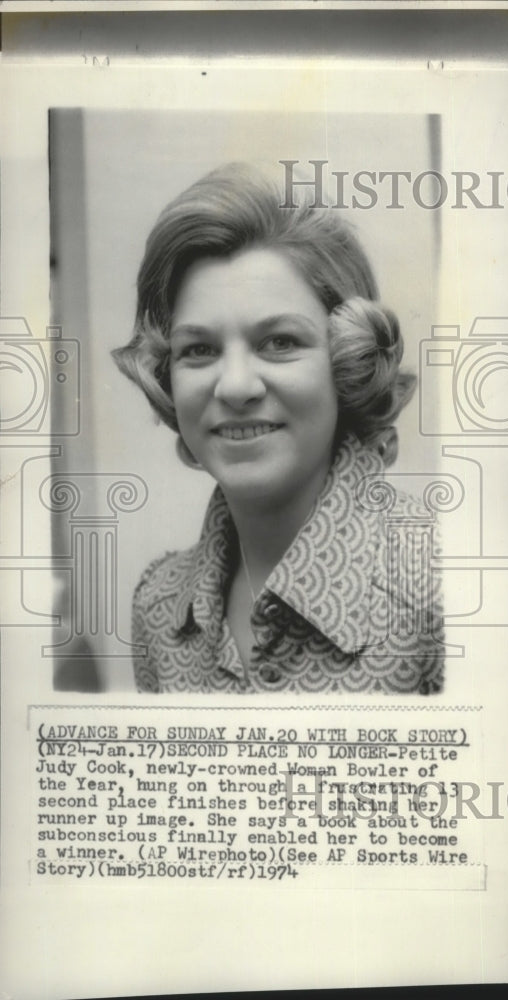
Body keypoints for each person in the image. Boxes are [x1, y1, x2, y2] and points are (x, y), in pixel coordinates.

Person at [112, 163, 444, 694]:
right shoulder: (158, 607)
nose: (236, 386)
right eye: (198, 350)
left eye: (280, 342)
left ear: (347, 361)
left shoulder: (447, 590)